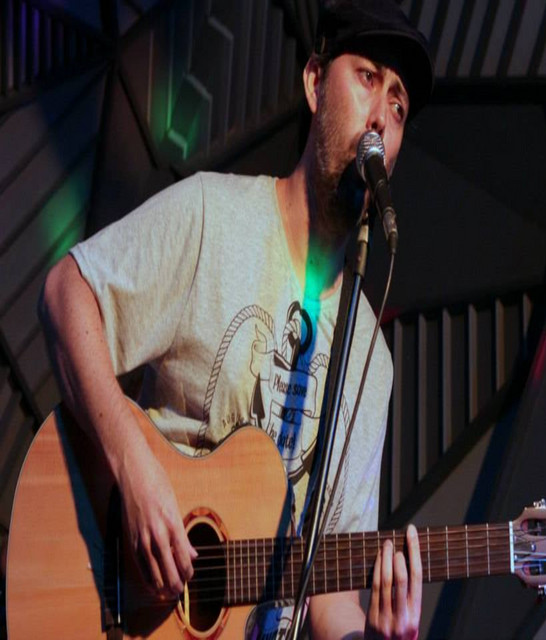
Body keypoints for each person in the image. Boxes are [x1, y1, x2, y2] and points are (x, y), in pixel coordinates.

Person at [39, 0, 433, 637]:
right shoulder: (212, 218)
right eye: (367, 78)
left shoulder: (373, 365)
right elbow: (66, 293)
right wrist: (132, 466)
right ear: (315, 82)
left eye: (399, 105)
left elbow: (330, 594)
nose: (381, 116)